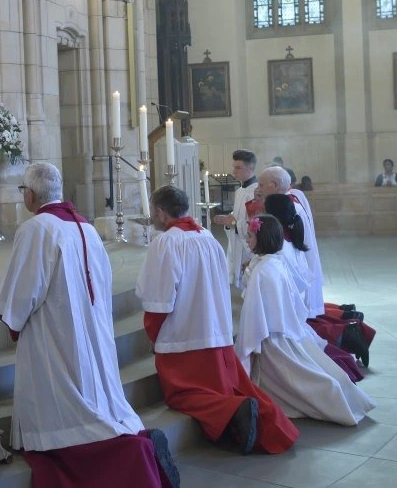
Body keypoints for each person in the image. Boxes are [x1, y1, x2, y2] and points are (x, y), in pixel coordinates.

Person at [0, 163, 179, 488]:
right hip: (87, 331)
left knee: (67, 420)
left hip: (54, 338)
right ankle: (137, 441)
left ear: (32, 195)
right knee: (95, 403)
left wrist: (11, 321)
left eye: (23, 190)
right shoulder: (86, 227)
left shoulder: (36, 229)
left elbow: (20, 297)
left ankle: (134, 450)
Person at [136, 185, 298, 455]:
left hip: (183, 342)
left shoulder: (166, 242)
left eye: (153, 211)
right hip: (216, 337)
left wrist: (153, 334)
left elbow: (158, 298)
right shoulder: (208, 237)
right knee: (226, 387)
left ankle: (234, 409)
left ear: (161, 213)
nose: (152, 216)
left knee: (181, 395)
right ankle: (248, 409)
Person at [235, 214, 375, 426]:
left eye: (250, 236)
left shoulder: (263, 271)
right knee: (311, 371)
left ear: (262, 238)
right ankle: (341, 395)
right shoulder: (275, 262)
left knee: (302, 381)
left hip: (271, 339)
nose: (247, 240)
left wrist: (246, 346)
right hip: (287, 330)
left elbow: (253, 314)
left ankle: (335, 400)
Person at [256, 166, 375, 367]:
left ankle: (346, 332)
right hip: (300, 267)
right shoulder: (294, 197)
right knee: (305, 321)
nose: (257, 188)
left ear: (274, 186)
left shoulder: (287, 208)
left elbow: (280, 245)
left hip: (294, 270)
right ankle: (345, 316)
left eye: (261, 184)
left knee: (302, 327)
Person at [264, 193, 365, 383]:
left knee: (307, 350)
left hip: (285, 317)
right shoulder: (290, 239)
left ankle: (346, 332)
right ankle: (346, 323)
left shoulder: (278, 251)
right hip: (293, 309)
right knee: (311, 340)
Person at [212, 149, 258, 288]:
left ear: (250, 168)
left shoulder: (256, 192)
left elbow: (256, 224)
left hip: (248, 247)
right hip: (236, 242)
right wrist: (229, 219)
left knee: (249, 285)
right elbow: (238, 217)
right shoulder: (240, 191)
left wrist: (233, 222)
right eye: (234, 167)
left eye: (238, 168)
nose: (234, 171)